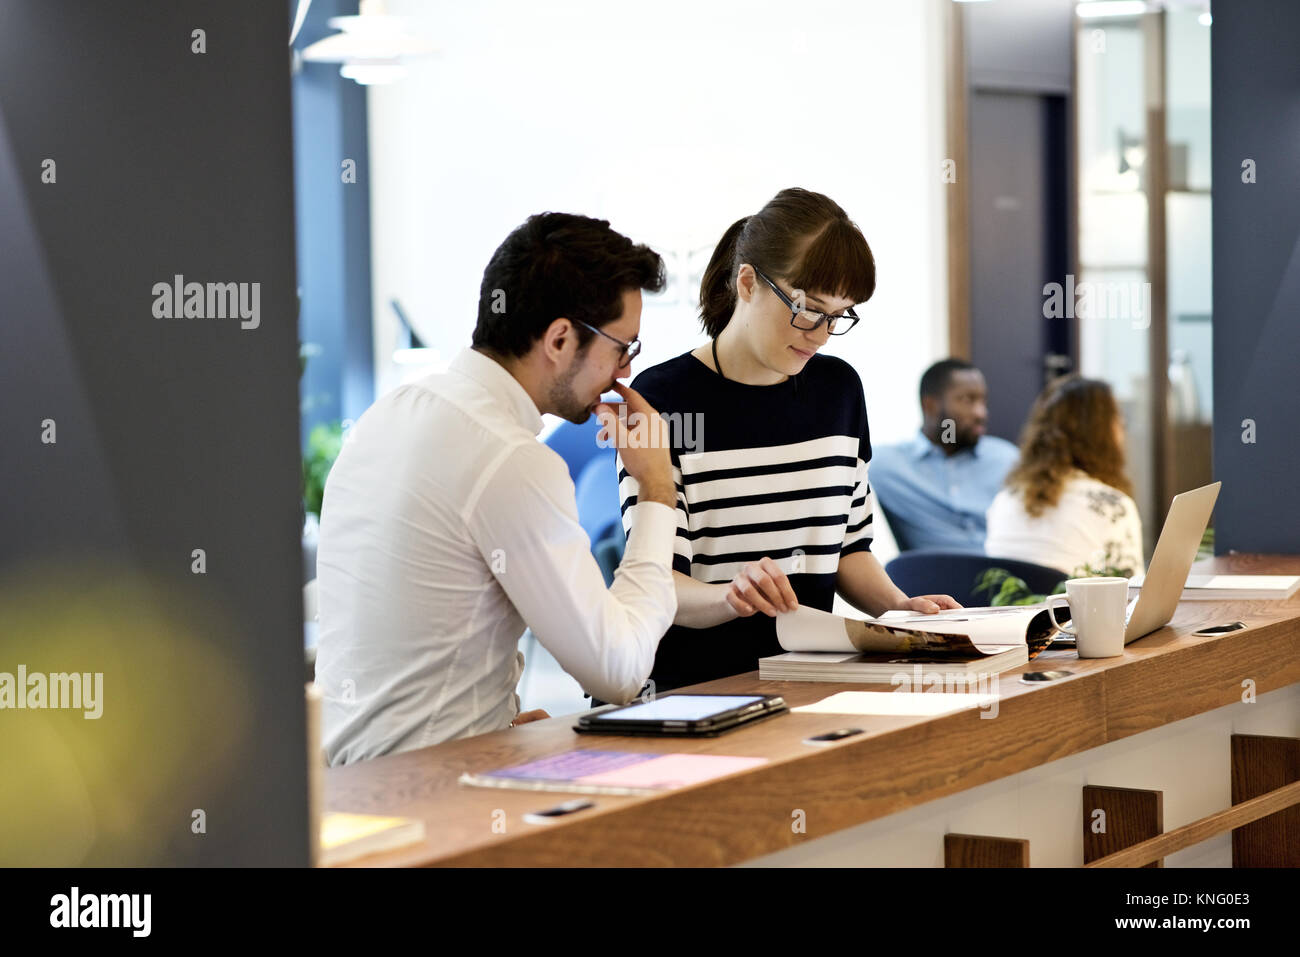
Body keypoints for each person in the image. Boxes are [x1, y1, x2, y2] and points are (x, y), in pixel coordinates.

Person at [314, 213, 680, 765]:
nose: (624, 373)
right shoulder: (510, 457)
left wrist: (487, 722)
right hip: (434, 802)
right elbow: (620, 671)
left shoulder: (386, 416)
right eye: (622, 348)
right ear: (560, 339)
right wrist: (655, 487)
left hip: (354, 788)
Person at [614, 187, 960, 697]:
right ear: (748, 282)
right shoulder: (662, 399)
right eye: (807, 310)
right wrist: (728, 597)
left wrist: (897, 607)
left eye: (839, 316)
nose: (820, 335)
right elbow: (656, 580)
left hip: (810, 678)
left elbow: (848, 548)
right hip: (693, 688)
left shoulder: (838, 390)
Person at [984, 374, 1145, 577]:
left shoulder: (1004, 500)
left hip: (1008, 608)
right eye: (1118, 420)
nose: (1122, 429)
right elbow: (1131, 597)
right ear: (1103, 434)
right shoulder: (1113, 507)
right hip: (1075, 609)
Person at [869, 359, 1019, 551]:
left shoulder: (1008, 460)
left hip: (1004, 576)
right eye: (967, 400)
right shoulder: (885, 466)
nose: (981, 413)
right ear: (930, 406)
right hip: (930, 576)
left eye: (983, 401)